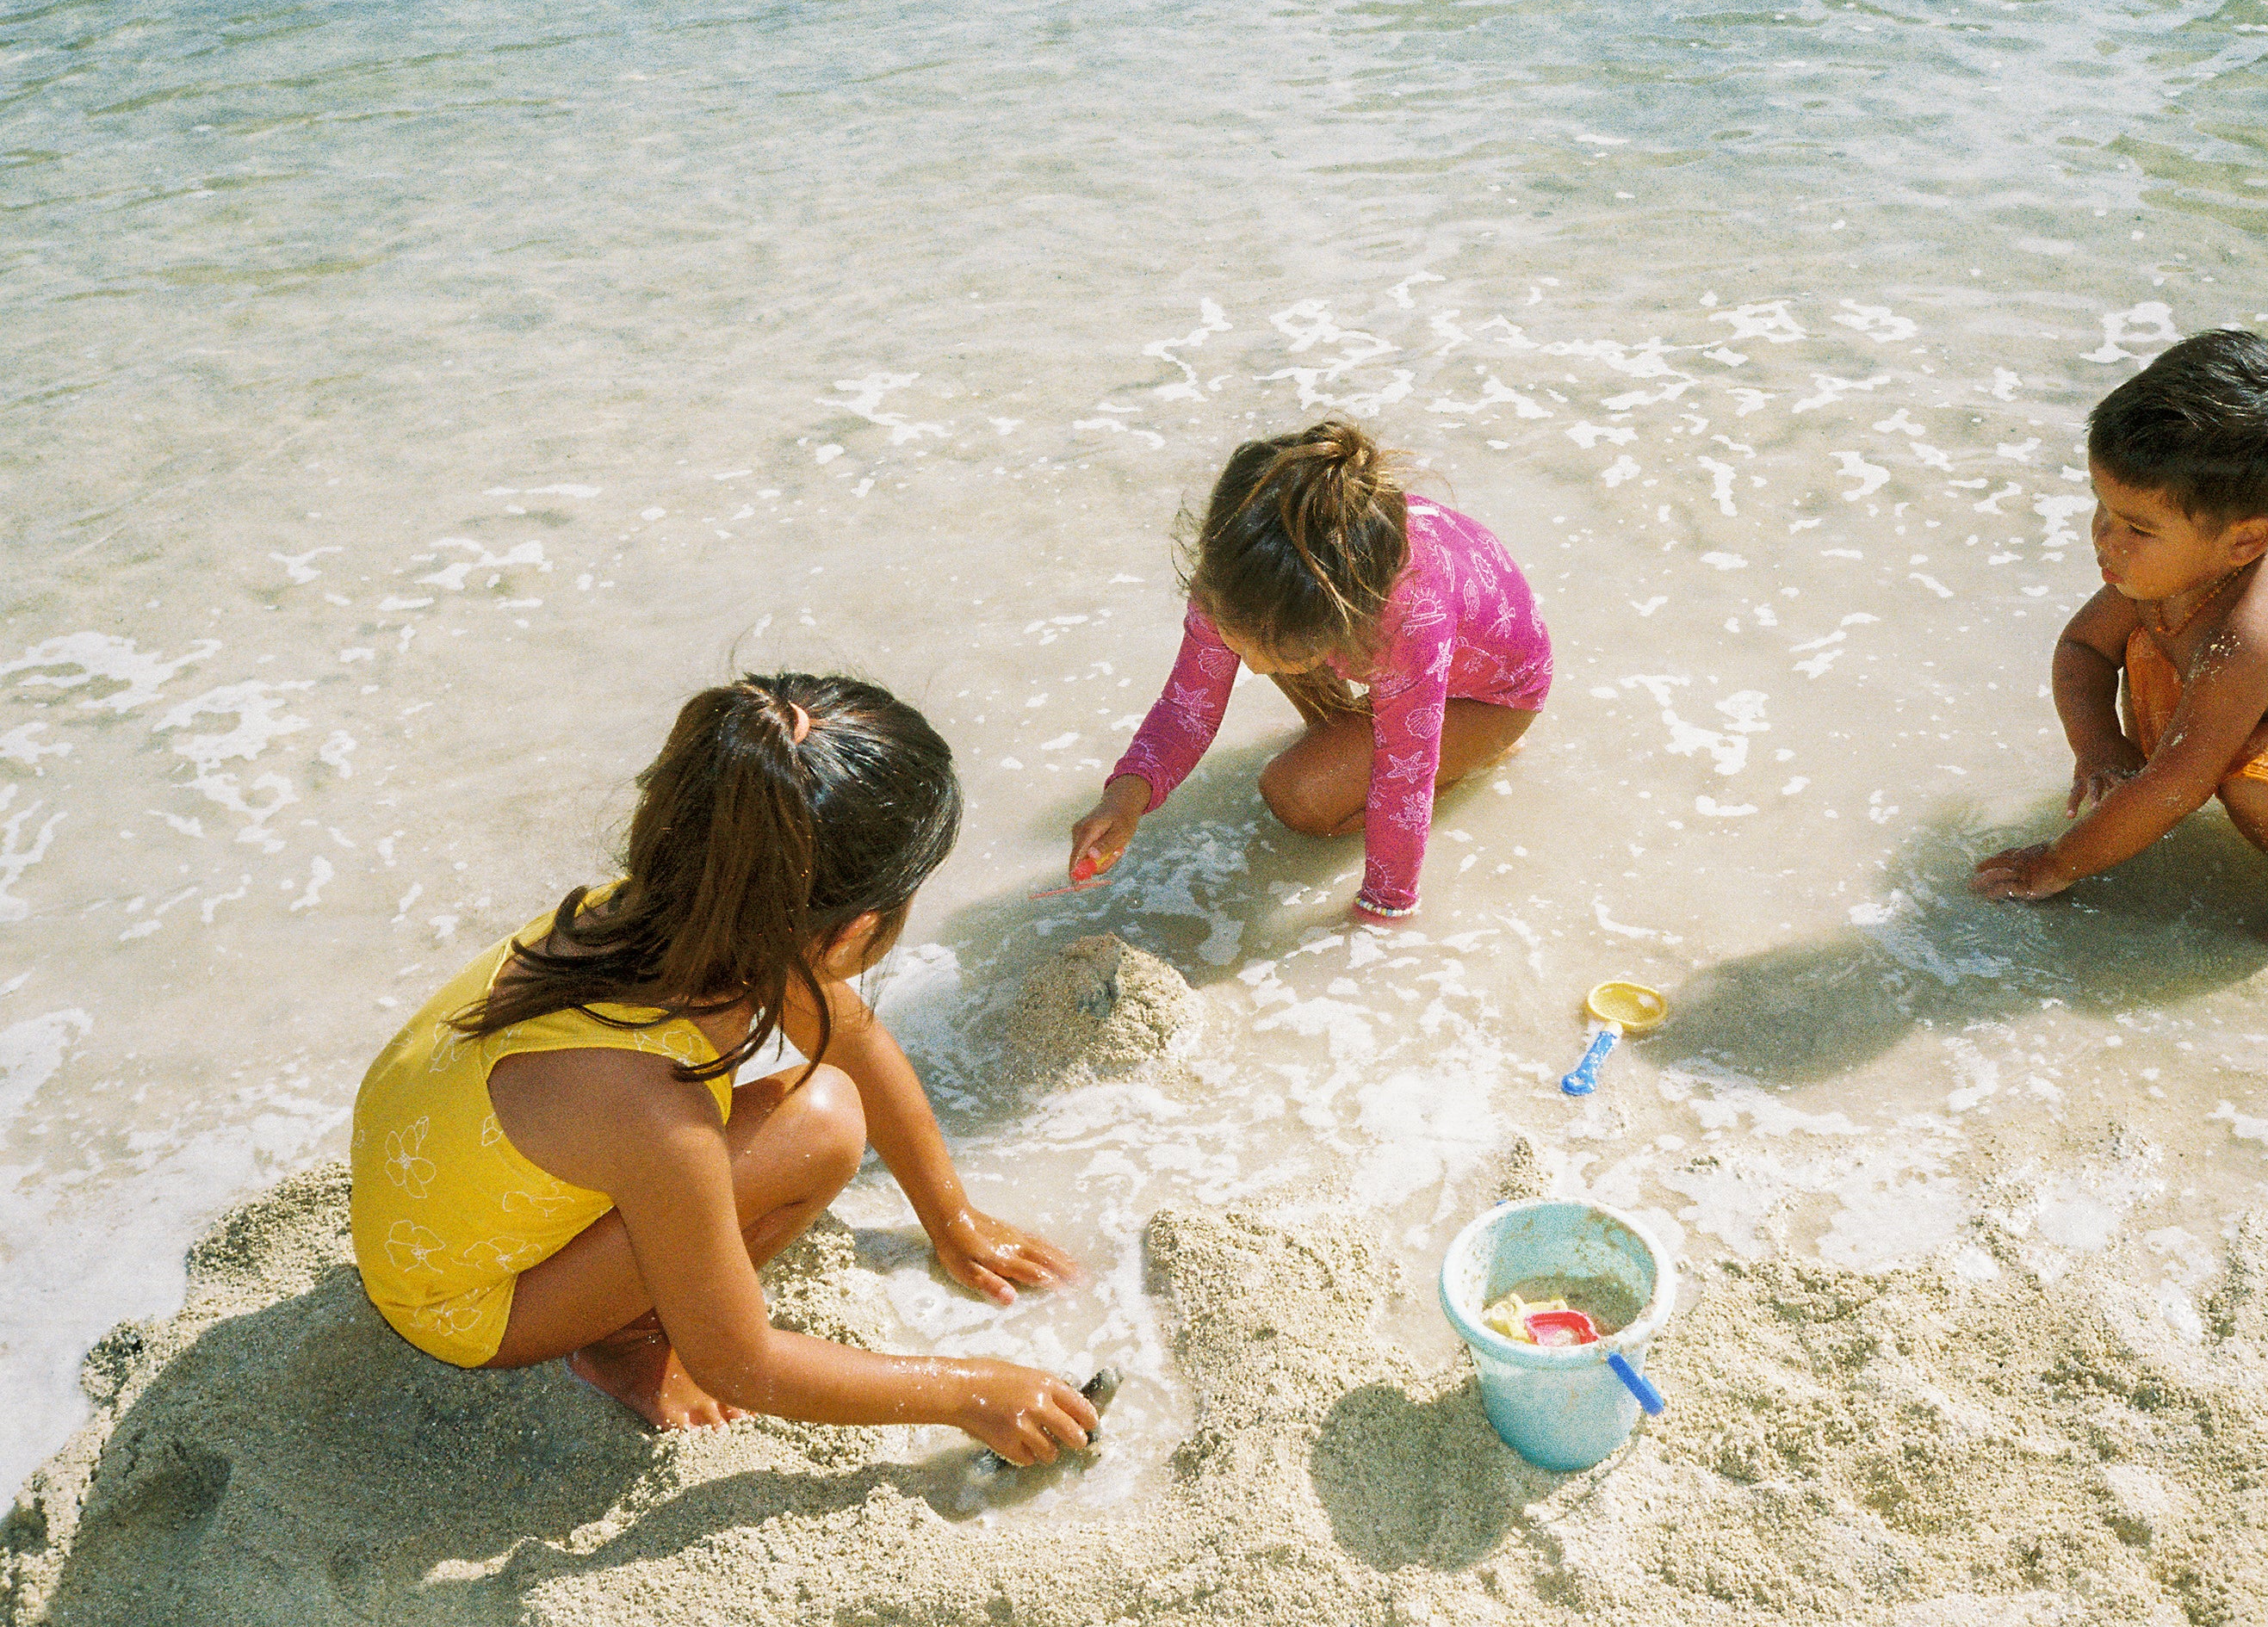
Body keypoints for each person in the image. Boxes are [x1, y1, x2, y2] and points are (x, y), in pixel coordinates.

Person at [350, 674, 1098, 1463]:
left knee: (826, 1103)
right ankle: (625, 1342)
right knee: (824, 1129)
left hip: (425, 1210)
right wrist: (965, 1390)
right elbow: (741, 1363)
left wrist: (952, 1219)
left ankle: (623, 1303)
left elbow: (852, 1040)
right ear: (856, 930)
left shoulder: (676, 909)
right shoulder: (650, 1112)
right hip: (466, 1307)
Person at [1970, 330, 2268, 942]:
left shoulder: (2257, 631)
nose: (2103, 539)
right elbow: (2082, 650)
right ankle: (2156, 798)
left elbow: (2177, 787)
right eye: (2102, 508)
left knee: (2256, 773)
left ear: (2245, 541)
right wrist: (2098, 746)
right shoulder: (2172, 573)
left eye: (2138, 529)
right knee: (2144, 642)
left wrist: (2057, 864)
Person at [1070, 421, 1552, 920]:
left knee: (1298, 797)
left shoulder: (1407, 625)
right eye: (1241, 643)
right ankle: (1351, 731)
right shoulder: (1240, 575)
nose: (1252, 669)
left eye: (1267, 653)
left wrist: (1383, 910)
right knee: (1278, 649)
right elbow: (1187, 707)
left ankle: (1484, 745)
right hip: (1351, 623)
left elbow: (1402, 783)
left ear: (1341, 628)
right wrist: (1124, 800)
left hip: (1496, 694)